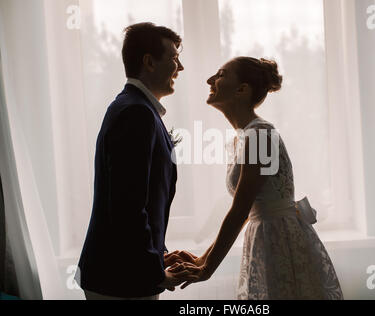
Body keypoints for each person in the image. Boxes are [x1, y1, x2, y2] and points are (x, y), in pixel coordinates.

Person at [166, 57, 344, 299]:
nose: (210, 80)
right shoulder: (242, 138)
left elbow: (240, 210)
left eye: (220, 74)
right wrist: (201, 259)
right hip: (266, 237)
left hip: (279, 240)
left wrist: (207, 267)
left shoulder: (260, 134)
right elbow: (243, 211)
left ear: (242, 89)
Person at [75, 22, 191, 300]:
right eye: (174, 58)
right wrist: (153, 269)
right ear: (149, 62)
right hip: (120, 278)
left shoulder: (134, 107)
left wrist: (158, 253)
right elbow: (128, 206)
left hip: (123, 272)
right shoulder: (136, 113)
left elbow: (140, 201)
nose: (181, 67)